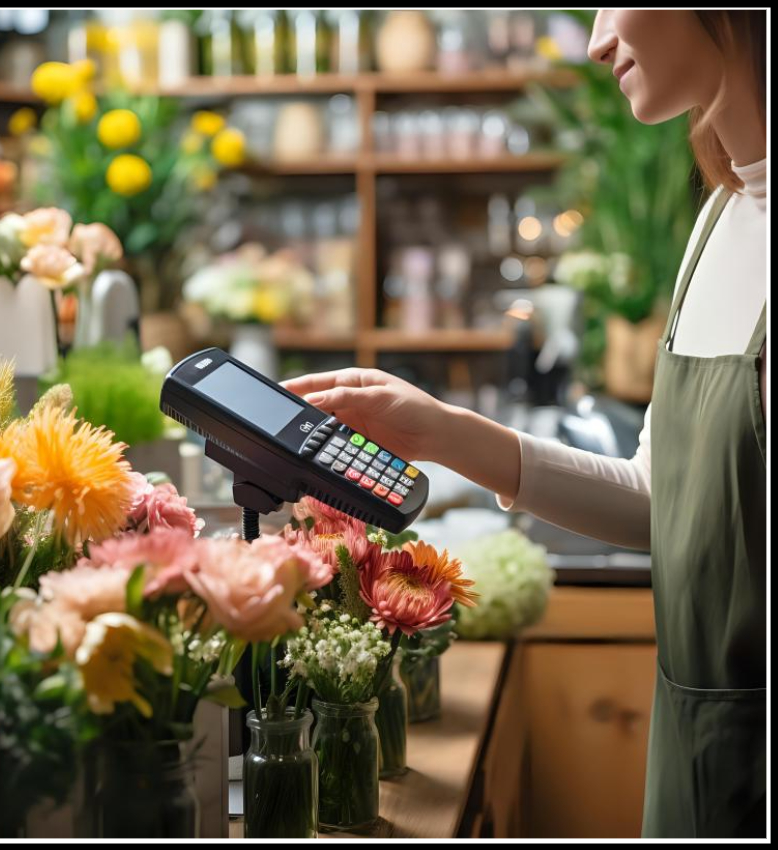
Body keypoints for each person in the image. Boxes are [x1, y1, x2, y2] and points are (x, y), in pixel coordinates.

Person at [283, 10, 766, 839]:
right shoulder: (721, 217)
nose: (596, 39)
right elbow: (660, 501)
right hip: (693, 743)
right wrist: (437, 431)